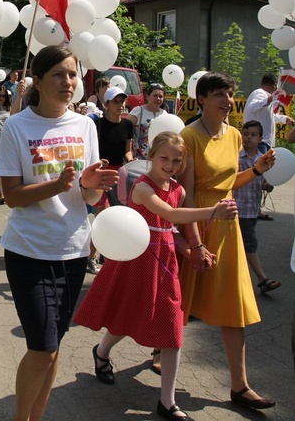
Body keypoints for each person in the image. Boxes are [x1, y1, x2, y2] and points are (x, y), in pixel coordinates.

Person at [74, 132, 238, 421]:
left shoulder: (177, 189)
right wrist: (214, 211)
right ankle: (101, 352)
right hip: (138, 261)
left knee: (174, 331)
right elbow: (170, 216)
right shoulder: (142, 187)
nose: (171, 164)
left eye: (177, 160)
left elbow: (170, 231)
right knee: (126, 317)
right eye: (164, 157)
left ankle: (167, 402)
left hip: (166, 264)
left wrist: (191, 251)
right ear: (151, 156)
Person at [0, 45, 119, 421]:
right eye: (59, 75)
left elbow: (90, 194)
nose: (69, 82)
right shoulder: (18, 126)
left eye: (73, 74)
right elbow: (11, 196)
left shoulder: (84, 125)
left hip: (74, 250)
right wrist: (57, 184)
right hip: (29, 251)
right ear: (39, 80)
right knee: (42, 348)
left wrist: (92, 185)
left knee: (54, 344)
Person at [178, 71, 276, 411]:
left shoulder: (235, 135)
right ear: (202, 99)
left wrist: (258, 169)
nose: (227, 100)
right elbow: (186, 193)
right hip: (199, 223)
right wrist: (194, 242)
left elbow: (229, 181)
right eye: (220, 94)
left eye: (230, 94)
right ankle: (155, 349)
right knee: (180, 303)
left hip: (228, 225)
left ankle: (240, 386)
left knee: (234, 307)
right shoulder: (188, 136)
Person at [85, 86, 134, 275]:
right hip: (100, 174)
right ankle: (91, 257)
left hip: (120, 175)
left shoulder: (128, 124)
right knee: (104, 218)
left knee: (117, 218)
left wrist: (131, 162)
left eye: (122, 101)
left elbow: (127, 150)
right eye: (116, 101)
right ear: (106, 104)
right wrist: (98, 162)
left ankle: (109, 255)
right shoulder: (96, 124)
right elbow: (89, 149)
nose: (120, 105)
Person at [233, 120, 281, 294]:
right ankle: (263, 279)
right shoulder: (237, 156)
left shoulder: (262, 158)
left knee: (241, 246)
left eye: (253, 135)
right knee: (250, 244)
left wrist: (267, 185)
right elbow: (234, 179)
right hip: (239, 208)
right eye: (245, 134)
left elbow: (261, 182)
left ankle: (235, 279)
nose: (248, 138)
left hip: (253, 209)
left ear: (260, 138)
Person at [242, 73, 292, 221]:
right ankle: (254, 209)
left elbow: (270, 116)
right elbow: (253, 106)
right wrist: (269, 99)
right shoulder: (260, 94)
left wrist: (284, 119)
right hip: (260, 142)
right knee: (258, 175)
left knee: (260, 175)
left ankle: (256, 208)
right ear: (273, 85)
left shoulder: (264, 97)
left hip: (264, 142)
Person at [127, 83, 166, 160]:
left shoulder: (164, 114)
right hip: (138, 158)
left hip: (157, 159)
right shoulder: (138, 111)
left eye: (161, 96)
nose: (158, 98)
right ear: (147, 96)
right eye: (155, 95)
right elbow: (126, 132)